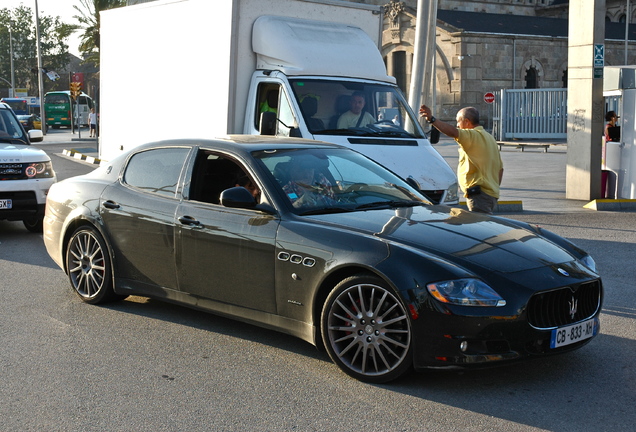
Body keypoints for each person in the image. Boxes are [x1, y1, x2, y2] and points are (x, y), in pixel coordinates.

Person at [419, 104, 504, 214]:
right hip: (490, 194)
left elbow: (453, 132)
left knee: (479, 227)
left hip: (480, 196)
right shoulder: (489, 138)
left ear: (467, 122)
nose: (457, 125)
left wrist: (432, 119)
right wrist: (494, 187)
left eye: (458, 122)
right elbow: (500, 169)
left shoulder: (472, 136)